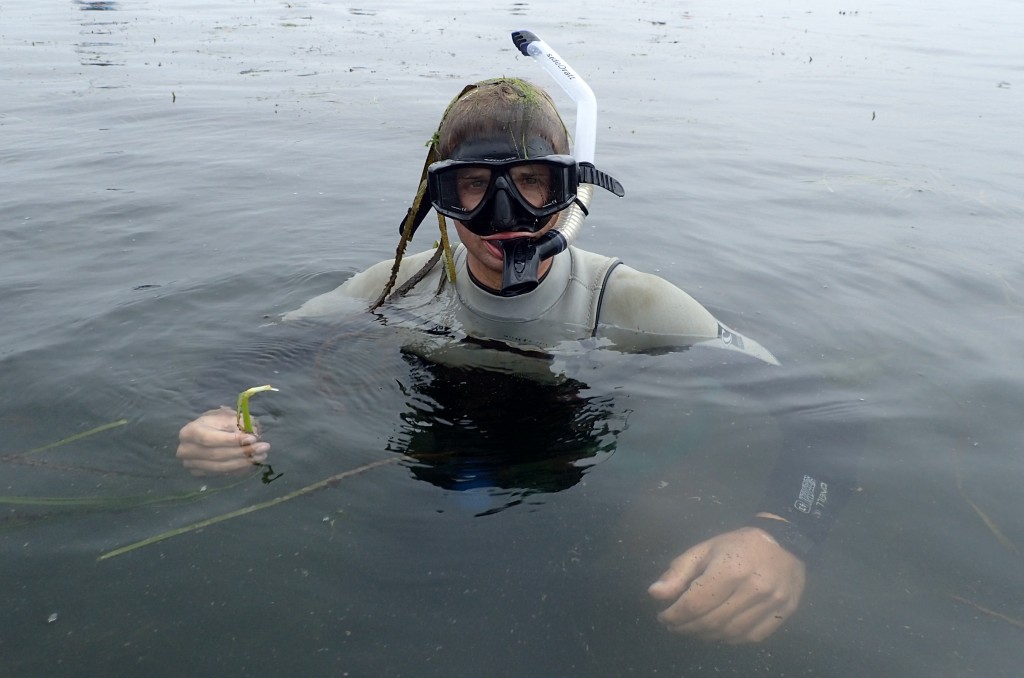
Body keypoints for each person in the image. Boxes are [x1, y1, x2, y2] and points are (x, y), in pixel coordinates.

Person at [177, 78, 858, 644]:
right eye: (472, 187)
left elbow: (821, 411)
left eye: (533, 183)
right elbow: (250, 355)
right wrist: (212, 414)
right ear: (436, 201)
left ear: (567, 189)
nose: (506, 213)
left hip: (568, 493)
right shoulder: (400, 292)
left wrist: (785, 534)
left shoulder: (625, 303)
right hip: (431, 484)